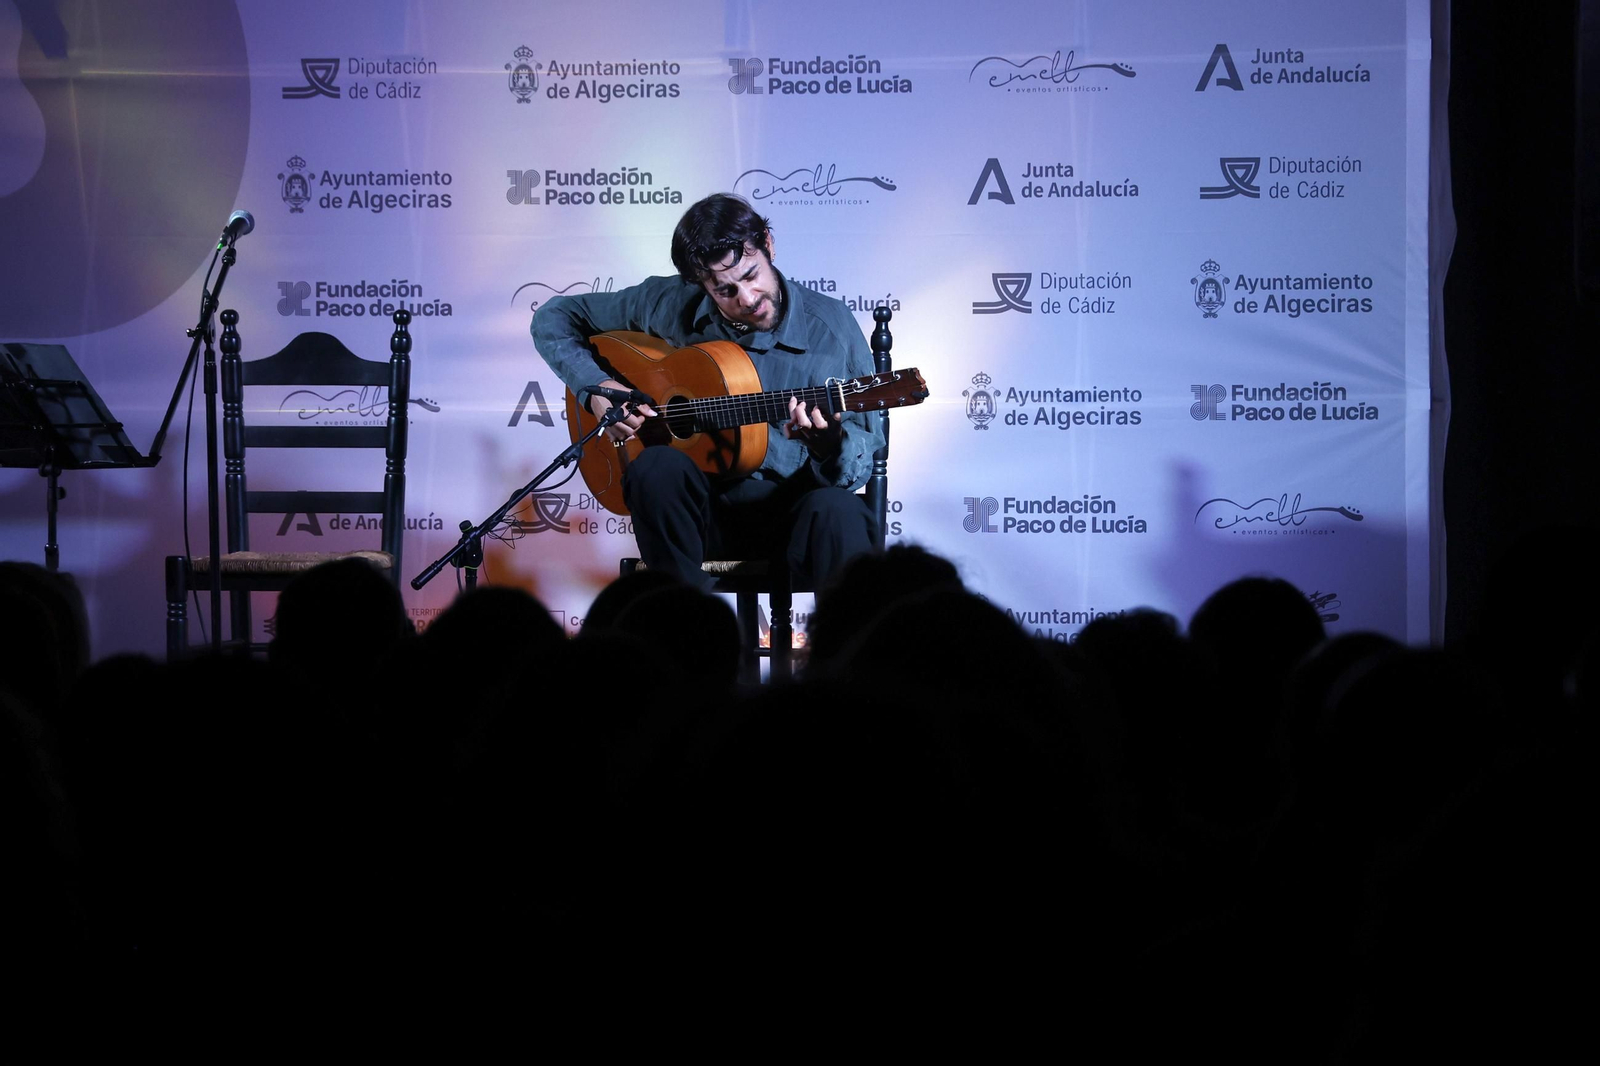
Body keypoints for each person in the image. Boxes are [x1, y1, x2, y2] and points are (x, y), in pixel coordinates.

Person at [530, 193, 882, 589]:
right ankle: (691, 630)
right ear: (701, 284)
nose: (747, 300)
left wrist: (828, 445)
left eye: (751, 275)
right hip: (702, 518)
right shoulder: (671, 302)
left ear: (767, 244)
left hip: (791, 515)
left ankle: (847, 645)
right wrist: (596, 390)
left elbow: (862, 458)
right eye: (724, 290)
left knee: (841, 510)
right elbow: (553, 318)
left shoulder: (831, 327)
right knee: (655, 468)